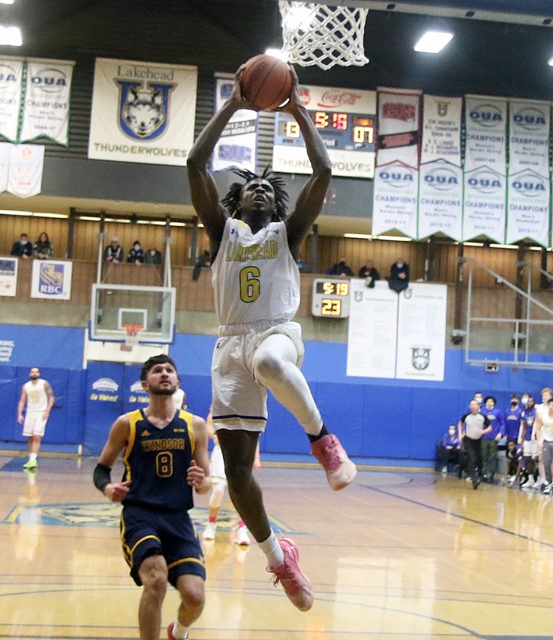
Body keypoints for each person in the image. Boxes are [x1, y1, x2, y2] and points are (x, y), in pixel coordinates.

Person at [187, 68, 355, 612]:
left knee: (270, 360)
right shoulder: (223, 232)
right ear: (238, 202)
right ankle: (279, 558)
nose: (259, 188)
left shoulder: (289, 233)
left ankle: (324, 442)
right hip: (228, 347)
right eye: (250, 186)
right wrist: (234, 106)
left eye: (267, 187)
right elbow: (193, 163)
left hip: (277, 333)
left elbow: (325, 169)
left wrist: (299, 111)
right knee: (236, 475)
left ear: (276, 204)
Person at [92, 355, 210, 640]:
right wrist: (107, 488)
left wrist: (201, 481)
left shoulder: (194, 426)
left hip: (178, 518)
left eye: (170, 370)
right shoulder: (127, 424)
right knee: (155, 580)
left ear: (178, 382)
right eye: (158, 371)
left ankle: (178, 631)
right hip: (139, 515)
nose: (165, 374)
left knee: (195, 596)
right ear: (146, 384)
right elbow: (101, 469)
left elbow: (205, 483)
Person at [203, 411, 253, 546]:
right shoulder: (222, 397)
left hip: (242, 450)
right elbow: (209, 423)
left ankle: (242, 529)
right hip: (221, 450)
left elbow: (255, 433)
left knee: (241, 491)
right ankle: (211, 524)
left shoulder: (248, 401)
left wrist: (256, 457)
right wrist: (214, 434)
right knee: (218, 488)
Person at [17, 367, 54, 470]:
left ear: (39, 373)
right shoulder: (26, 386)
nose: (34, 373)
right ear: (30, 374)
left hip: (41, 412)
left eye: (36, 372)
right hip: (30, 412)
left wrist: (47, 411)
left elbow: (51, 397)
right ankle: (31, 459)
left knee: (37, 436)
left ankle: (33, 460)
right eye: (33, 372)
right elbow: (22, 401)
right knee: (30, 436)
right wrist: (19, 414)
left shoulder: (44, 384)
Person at [459, 400, 491, 489]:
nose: (473, 406)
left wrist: (484, 431)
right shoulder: (466, 416)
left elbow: (490, 427)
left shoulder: (482, 417)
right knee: (472, 458)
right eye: (471, 404)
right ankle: (474, 478)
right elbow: (460, 423)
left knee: (478, 459)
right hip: (468, 440)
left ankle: (477, 475)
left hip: (478, 440)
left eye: (475, 404)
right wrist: (460, 434)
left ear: (478, 406)